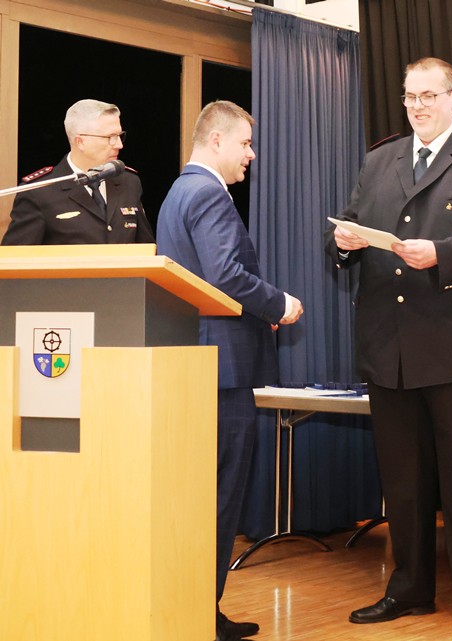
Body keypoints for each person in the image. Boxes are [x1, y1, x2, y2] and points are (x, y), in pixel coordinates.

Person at [328, 57, 452, 641]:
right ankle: (409, 588)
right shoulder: (380, 159)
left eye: (428, 96)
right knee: (403, 480)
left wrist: (442, 253)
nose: (417, 107)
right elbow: (353, 225)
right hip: (388, 344)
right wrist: (342, 242)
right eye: (409, 97)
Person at [157, 100, 303, 641]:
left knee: (199, 498)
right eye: (244, 143)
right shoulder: (208, 194)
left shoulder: (178, 191)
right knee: (219, 500)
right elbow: (225, 275)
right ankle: (202, 614)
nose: (251, 154)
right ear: (216, 140)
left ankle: (190, 608)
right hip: (224, 372)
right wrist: (280, 304)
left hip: (197, 367)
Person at [2, 98, 153, 245]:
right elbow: (16, 257)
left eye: (119, 136)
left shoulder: (128, 182)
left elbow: (147, 249)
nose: (119, 145)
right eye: (110, 137)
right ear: (80, 142)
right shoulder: (39, 192)